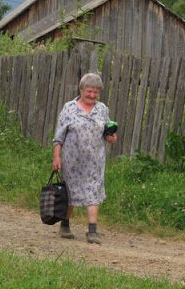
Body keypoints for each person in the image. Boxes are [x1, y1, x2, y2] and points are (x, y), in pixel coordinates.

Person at [52, 73, 118, 244]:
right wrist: (56, 158)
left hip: (95, 160)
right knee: (70, 192)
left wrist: (111, 138)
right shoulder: (69, 108)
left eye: (96, 92)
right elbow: (59, 137)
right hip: (72, 161)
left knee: (93, 191)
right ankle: (65, 224)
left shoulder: (102, 109)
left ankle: (92, 230)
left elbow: (107, 132)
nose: (92, 95)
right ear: (81, 89)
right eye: (89, 91)